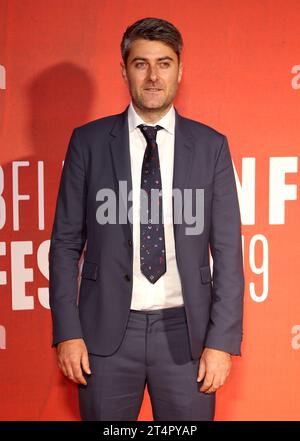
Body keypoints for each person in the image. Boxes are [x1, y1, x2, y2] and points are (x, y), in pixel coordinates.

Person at [49, 17, 244, 421]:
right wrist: (68, 332)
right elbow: (65, 244)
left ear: (180, 70)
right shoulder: (88, 142)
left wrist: (221, 342)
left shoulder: (211, 147)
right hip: (105, 339)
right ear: (124, 70)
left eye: (164, 63)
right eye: (141, 64)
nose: (153, 76)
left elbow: (227, 252)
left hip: (186, 337)